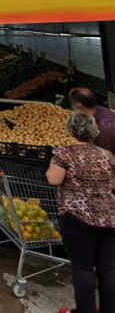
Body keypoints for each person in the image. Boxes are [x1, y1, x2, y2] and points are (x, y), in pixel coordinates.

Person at [46, 112, 115, 313]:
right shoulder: (107, 155)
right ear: (94, 131)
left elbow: (54, 179)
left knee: (83, 267)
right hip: (109, 218)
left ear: (71, 130)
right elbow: (113, 183)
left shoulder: (65, 153)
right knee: (108, 269)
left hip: (78, 217)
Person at [69, 87, 115, 153]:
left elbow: (102, 156)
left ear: (79, 106)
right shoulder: (102, 110)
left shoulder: (101, 130)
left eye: (72, 103)